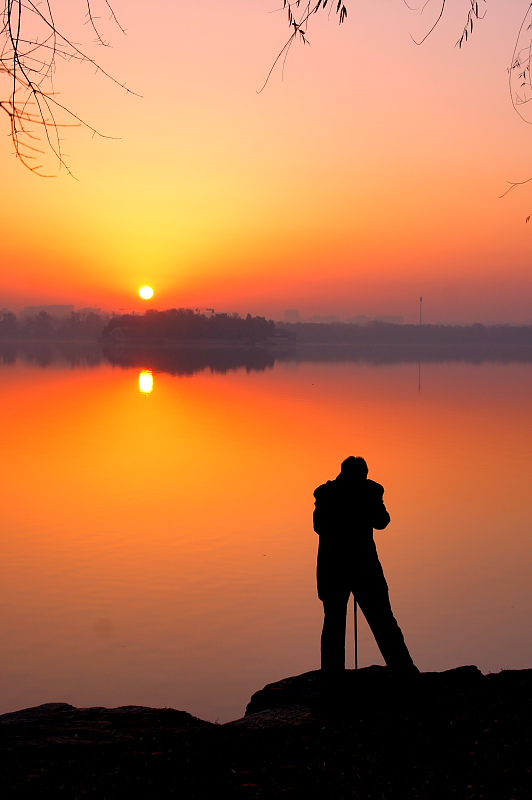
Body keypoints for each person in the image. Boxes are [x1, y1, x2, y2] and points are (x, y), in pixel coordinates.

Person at [314, 456, 418, 675]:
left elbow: (380, 522)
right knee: (381, 619)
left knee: (336, 623)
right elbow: (381, 521)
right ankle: (403, 671)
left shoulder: (327, 494)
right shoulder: (363, 492)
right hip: (362, 567)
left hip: (334, 568)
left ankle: (333, 676)